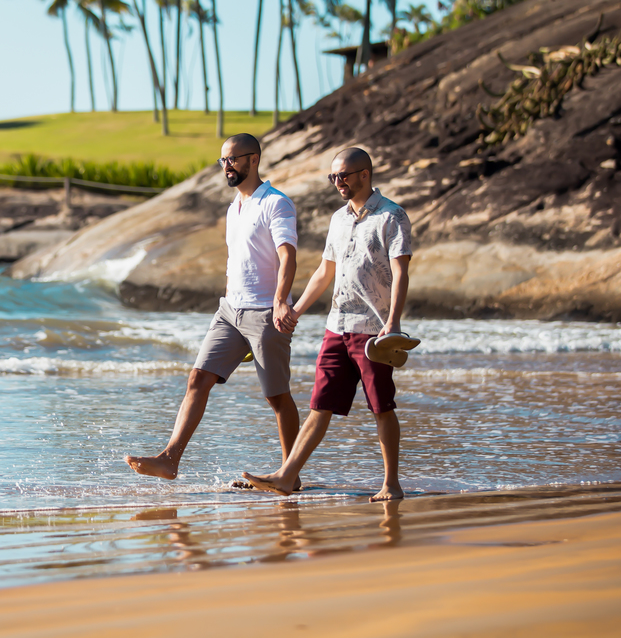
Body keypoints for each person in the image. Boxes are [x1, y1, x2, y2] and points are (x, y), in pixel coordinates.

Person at [124, 133, 300, 485]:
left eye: (233, 159)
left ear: (254, 160)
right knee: (198, 378)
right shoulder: (234, 208)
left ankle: (289, 474)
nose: (227, 166)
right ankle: (169, 459)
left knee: (277, 397)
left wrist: (281, 301)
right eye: (223, 160)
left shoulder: (276, 203)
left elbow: (288, 256)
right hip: (230, 310)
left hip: (265, 311)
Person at [241, 147, 412, 502]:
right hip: (337, 326)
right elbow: (324, 272)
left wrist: (393, 322)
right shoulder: (338, 219)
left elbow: (400, 272)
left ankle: (391, 484)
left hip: (373, 329)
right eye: (333, 177)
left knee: (381, 405)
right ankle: (287, 476)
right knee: (320, 404)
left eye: (344, 176)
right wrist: (295, 309)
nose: (338, 182)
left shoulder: (392, 216)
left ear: (365, 174)